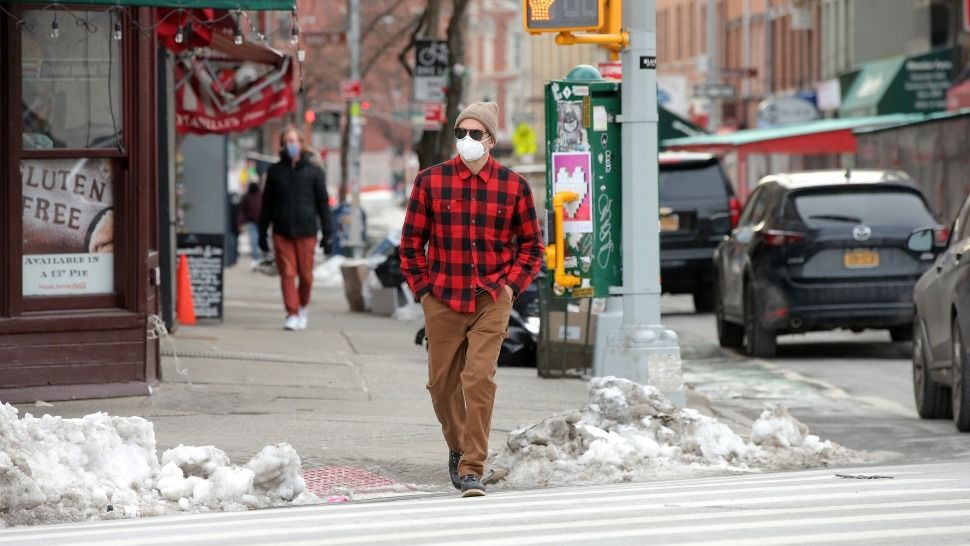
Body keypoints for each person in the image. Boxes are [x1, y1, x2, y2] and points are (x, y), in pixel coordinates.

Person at [400, 102, 543, 497]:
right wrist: (424, 292)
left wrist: (511, 287)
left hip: (491, 296)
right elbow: (411, 243)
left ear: (492, 140)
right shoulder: (431, 181)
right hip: (443, 296)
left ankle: (472, 467)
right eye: (460, 133)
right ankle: (459, 446)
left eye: (475, 134)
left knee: (478, 379)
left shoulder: (514, 186)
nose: (466, 140)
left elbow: (532, 245)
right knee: (441, 386)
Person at [259, 126, 334, 331]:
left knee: (306, 275)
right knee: (288, 273)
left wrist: (328, 233)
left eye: (294, 141)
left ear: (302, 143)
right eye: (287, 141)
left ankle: (302, 306)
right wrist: (261, 233)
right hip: (281, 231)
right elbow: (266, 204)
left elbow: (323, 204)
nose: (290, 145)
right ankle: (292, 312)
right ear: (283, 145)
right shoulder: (275, 172)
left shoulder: (314, 172)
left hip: (307, 231)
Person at [238, 181, 263, 269]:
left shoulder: (260, 196)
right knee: (254, 241)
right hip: (252, 222)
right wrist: (240, 223)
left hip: (260, 222)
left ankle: (259, 258)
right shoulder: (248, 196)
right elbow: (242, 211)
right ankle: (256, 258)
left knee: (257, 241)